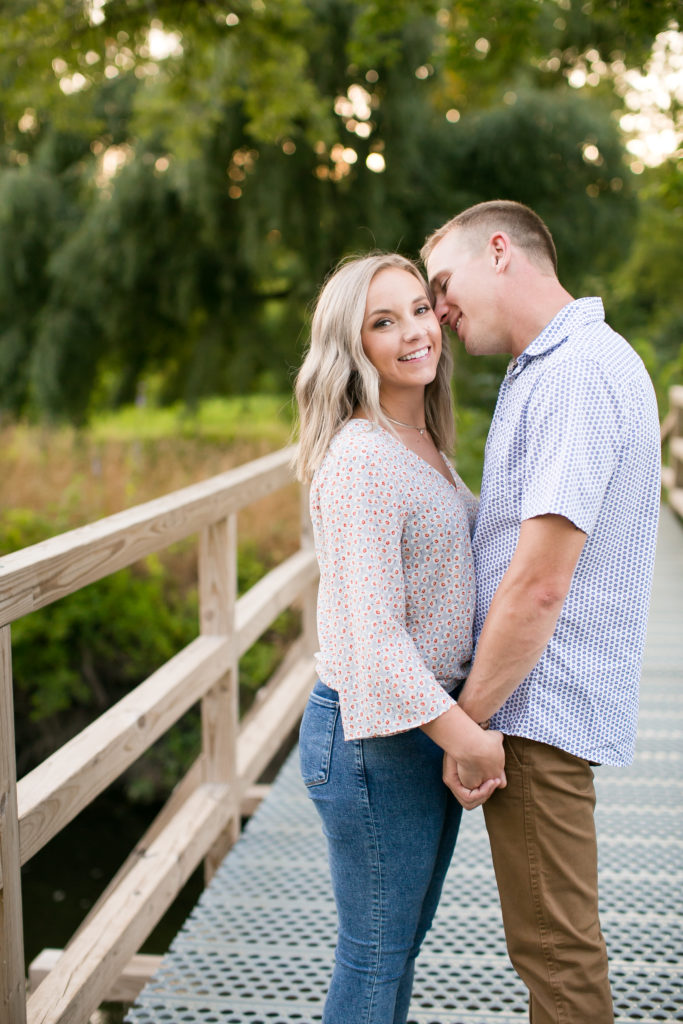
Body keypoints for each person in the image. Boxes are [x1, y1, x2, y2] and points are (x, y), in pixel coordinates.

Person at [421, 199, 661, 1024]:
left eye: (442, 284)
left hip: (532, 711)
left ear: (499, 251)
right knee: (553, 948)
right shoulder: (557, 366)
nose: (438, 308)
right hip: (532, 703)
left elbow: (539, 582)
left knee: (555, 958)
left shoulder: (573, 372)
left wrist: (467, 724)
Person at [294, 251, 506, 1024]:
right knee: (375, 957)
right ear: (351, 345)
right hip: (371, 741)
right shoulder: (361, 460)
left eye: (419, 307)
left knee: (396, 950)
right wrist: (468, 739)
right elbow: (369, 638)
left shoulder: (419, 444)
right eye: (383, 322)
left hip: (415, 730)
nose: (414, 331)